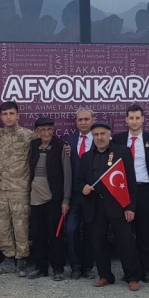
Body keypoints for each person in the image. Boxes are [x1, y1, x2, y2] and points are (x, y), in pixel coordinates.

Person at [77, 121, 140, 290]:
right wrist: (83, 187)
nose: (99, 137)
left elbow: (131, 181)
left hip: (119, 205)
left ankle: (132, 277)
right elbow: (80, 180)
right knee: (99, 243)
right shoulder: (86, 157)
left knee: (126, 242)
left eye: (102, 134)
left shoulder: (122, 152)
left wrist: (130, 207)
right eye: (96, 135)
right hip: (95, 206)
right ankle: (105, 276)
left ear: (109, 134)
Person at [113, 105, 149, 282]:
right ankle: (130, 271)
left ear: (143, 119)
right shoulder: (118, 139)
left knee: (142, 233)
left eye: (137, 118)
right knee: (126, 235)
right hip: (123, 191)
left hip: (144, 190)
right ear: (126, 120)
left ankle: (144, 270)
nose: (134, 121)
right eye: (131, 118)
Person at [0, 101, 34, 276]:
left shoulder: (29, 136)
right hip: (1, 188)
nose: (8, 117)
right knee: (1, 226)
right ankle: (8, 258)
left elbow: (47, 145)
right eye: (5, 114)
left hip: (20, 188)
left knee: (21, 225)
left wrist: (66, 148)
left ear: (18, 115)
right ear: (1, 116)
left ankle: (22, 259)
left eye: (11, 113)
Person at [27, 117, 71, 281]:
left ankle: (58, 268)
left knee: (56, 235)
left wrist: (66, 199)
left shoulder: (61, 146)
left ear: (53, 130)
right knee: (38, 235)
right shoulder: (33, 145)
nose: (46, 133)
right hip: (35, 198)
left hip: (54, 198)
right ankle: (41, 268)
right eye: (42, 130)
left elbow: (67, 174)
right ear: (37, 132)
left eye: (49, 129)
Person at [64, 108, 95, 279]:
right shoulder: (70, 140)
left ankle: (87, 268)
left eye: (86, 119)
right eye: (80, 120)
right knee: (70, 230)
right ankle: (75, 267)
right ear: (76, 122)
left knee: (91, 232)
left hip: (92, 195)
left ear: (93, 120)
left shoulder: (99, 138)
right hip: (75, 195)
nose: (83, 122)